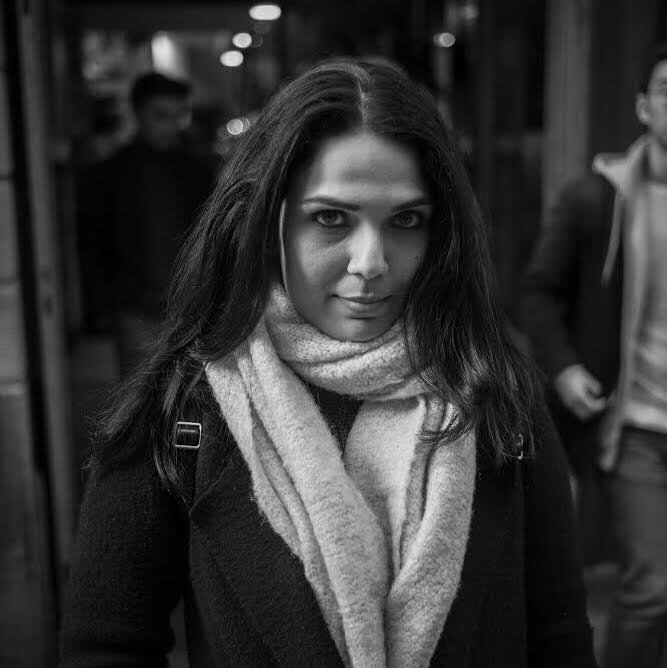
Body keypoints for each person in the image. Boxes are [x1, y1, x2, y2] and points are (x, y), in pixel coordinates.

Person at [61, 58, 596, 668]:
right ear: (265, 219)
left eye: (406, 220)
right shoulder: (182, 407)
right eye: (330, 218)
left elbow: (559, 634)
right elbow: (107, 644)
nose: (370, 263)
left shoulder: (495, 393)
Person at [520, 44, 667, 668]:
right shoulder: (596, 199)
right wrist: (566, 367)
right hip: (634, 424)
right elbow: (536, 292)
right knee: (653, 586)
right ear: (643, 106)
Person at [77, 71, 216, 375]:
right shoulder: (110, 174)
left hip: (190, 304)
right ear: (138, 114)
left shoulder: (198, 172)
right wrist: (101, 303)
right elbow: (93, 242)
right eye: (160, 115)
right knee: (141, 389)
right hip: (134, 306)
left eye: (179, 115)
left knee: (189, 390)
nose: (171, 125)